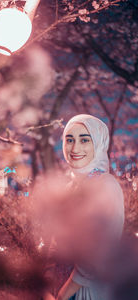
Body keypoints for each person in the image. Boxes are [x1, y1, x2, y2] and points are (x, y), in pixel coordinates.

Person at [55, 114, 125, 300]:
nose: (75, 148)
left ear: (99, 144)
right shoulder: (71, 186)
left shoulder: (105, 185)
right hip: (63, 283)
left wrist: (67, 290)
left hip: (90, 290)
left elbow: (102, 249)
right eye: (70, 140)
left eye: (85, 140)